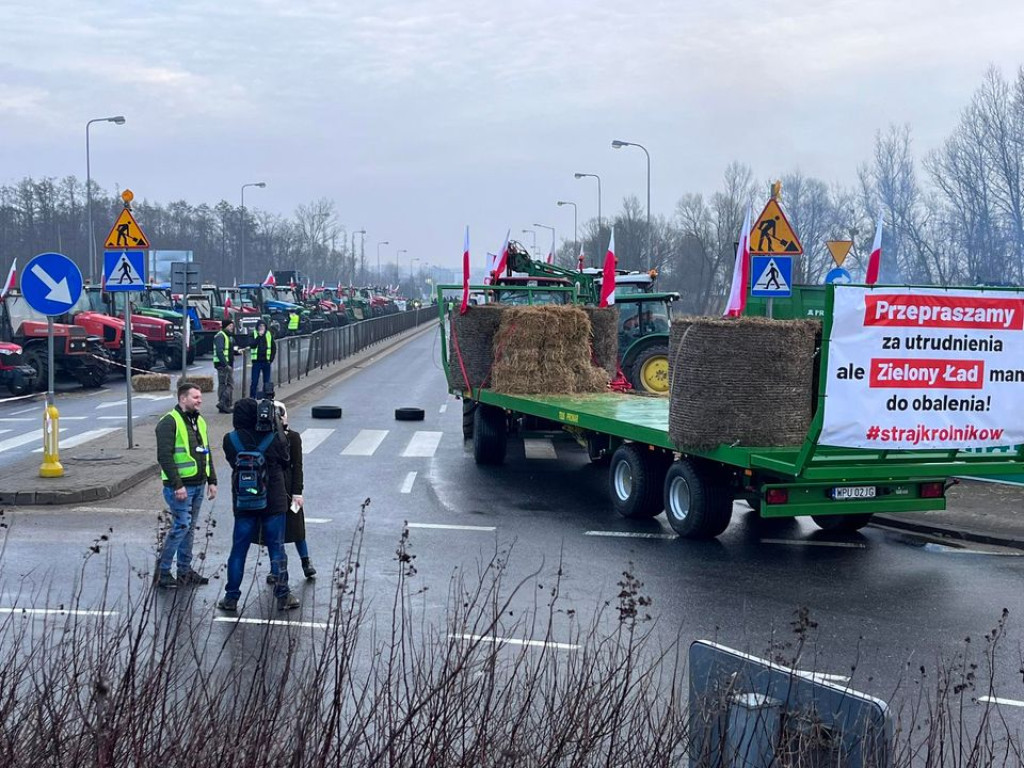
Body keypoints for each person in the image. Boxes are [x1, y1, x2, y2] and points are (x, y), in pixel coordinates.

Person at [217, 398, 299, 612]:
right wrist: (277, 426)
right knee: (276, 548)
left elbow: (232, 462)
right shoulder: (272, 436)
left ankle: (231, 597)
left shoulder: (230, 439)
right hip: (273, 501)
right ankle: (283, 595)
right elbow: (285, 459)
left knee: (238, 550)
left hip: (244, 502)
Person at [155, 381, 218, 589]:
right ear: (183, 399)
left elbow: (206, 452)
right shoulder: (169, 422)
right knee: (181, 526)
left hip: (198, 484)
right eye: (195, 397)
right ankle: (162, 571)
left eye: (200, 397)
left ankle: (184, 570)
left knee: (189, 528)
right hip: (180, 487)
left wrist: (212, 481)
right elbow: (164, 456)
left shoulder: (199, 421)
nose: (200, 400)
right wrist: (177, 485)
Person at [264, 401, 316, 584]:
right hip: (271, 490)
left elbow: (297, 466)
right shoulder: (266, 437)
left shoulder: (293, 437)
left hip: (289, 488)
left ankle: (306, 561)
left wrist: (297, 492)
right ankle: (275, 567)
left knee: (297, 528)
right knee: (273, 532)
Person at [213, 319, 237, 413]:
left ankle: (223, 404)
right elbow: (220, 351)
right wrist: (226, 364)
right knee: (229, 384)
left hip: (225, 364)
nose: (232, 328)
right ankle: (223, 403)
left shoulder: (226, 336)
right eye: (230, 326)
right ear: (226, 326)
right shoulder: (221, 336)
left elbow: (228, 350)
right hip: (223, 365)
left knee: (224, 384)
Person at [249, 320, 275, 399]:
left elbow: (273, 347)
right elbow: (252, 345)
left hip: (266, 362)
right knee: (254, 381)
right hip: (256, 362)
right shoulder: (253, 334)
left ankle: (266, 397)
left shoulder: (268, 334)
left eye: (263, 326)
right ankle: (252, 397)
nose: (262, 328)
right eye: (260, 326)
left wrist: (271, 359)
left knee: (267, 381)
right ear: (257, 327)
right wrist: (259, 336)